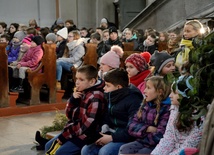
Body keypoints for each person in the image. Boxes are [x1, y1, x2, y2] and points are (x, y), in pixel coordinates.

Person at [45, 65, 107, 155]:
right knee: (48, 146)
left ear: (92, 81)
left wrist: (66, 135)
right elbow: (69, 116)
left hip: (86, 135)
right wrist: (73, 100)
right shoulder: (82, 91)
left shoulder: (95, 96)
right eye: (76, 78)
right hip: (75, 131)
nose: (77, 82)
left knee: (61, 152)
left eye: (81, 80)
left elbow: (87, 124)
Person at [81, 68, 143, 155]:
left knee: (105, 151)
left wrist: (112, 138)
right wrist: (103, 129)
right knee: (87, 149)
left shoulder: (134, 100)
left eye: (107, 85)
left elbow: (132, 129)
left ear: (118, 87)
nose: (104, 88)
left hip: (127, 138)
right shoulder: (111, 96)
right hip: (111, 133)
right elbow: (107, 116)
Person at [151, 75, 204, 155]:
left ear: (185, 96)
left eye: (174, 93)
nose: (170, 96)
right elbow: (168, 138)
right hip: (173, 150)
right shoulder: (175, 108)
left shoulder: (199, 115)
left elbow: (190, 144)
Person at [119, 76, 171, 154]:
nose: (144, 91)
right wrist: (147, 129)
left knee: (142, 152)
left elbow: (160, 135)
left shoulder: (166, 109)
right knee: (124, 149)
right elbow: (131, 125)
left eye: (148, 88)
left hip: (156, 145)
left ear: (160, 92)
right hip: (142, 141)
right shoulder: (145, 105)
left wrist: (140, 134)